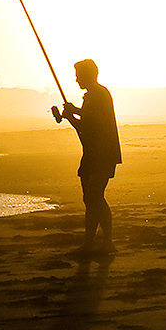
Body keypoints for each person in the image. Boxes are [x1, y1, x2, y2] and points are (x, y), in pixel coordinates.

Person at [56, 58, 122, 255]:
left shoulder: (99, 94)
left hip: (102, 154)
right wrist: (70, 114)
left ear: (88, 75)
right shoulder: (92, 96)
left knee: (95, 196)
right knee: (89, 198)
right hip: (93, 153)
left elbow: (90, 123)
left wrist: (71, 114)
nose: (76, 80)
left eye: (78, 76)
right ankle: (90, 243)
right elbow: (86, 122)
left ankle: (106, 243)